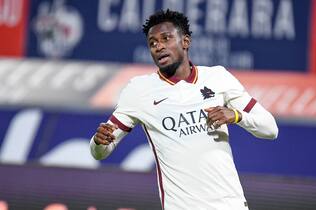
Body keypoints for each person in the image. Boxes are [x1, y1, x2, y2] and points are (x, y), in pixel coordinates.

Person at [90, 9, 278, 210]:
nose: (159, 46)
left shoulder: (218, 77)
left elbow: (270, 129)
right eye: (152, 43)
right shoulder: (139, 90)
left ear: (185, 41)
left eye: (166, 38)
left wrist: (237, 116)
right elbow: (100, 152)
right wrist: (98, 142)